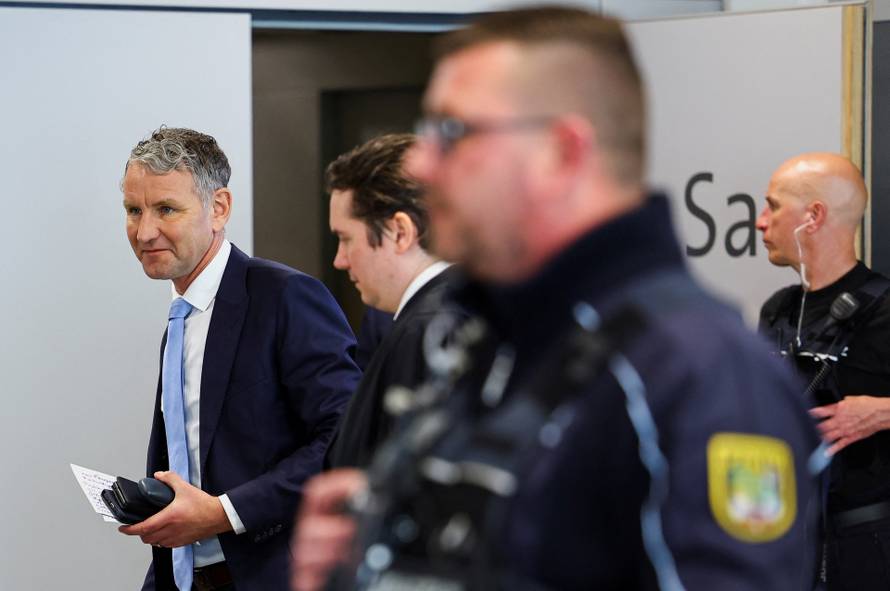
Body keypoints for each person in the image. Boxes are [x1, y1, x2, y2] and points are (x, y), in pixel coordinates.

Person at [293, 7, 818, 591]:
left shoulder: (700, 372)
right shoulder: (488, 343)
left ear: (562, 151)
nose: (421, 162)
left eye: (453, 131)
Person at [117, 127, 361, 591]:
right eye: (133, 210)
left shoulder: (285, 296)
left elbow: (346, 438)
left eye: (166, 209)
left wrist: (225, 512)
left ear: (219, 208)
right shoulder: (180, 320)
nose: (144, 231)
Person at [757, 152, 890, 590]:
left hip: (870, 551)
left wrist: (883, 412)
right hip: (790, 541)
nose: (760, 222)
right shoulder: (778, 310)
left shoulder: (885, 309)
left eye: (773, 206)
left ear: (813, 217)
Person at [323, 133, 462, 469]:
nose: (339, 260)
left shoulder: (425, 331)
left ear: (400, 232)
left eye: (345, 239)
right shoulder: (438, 318)